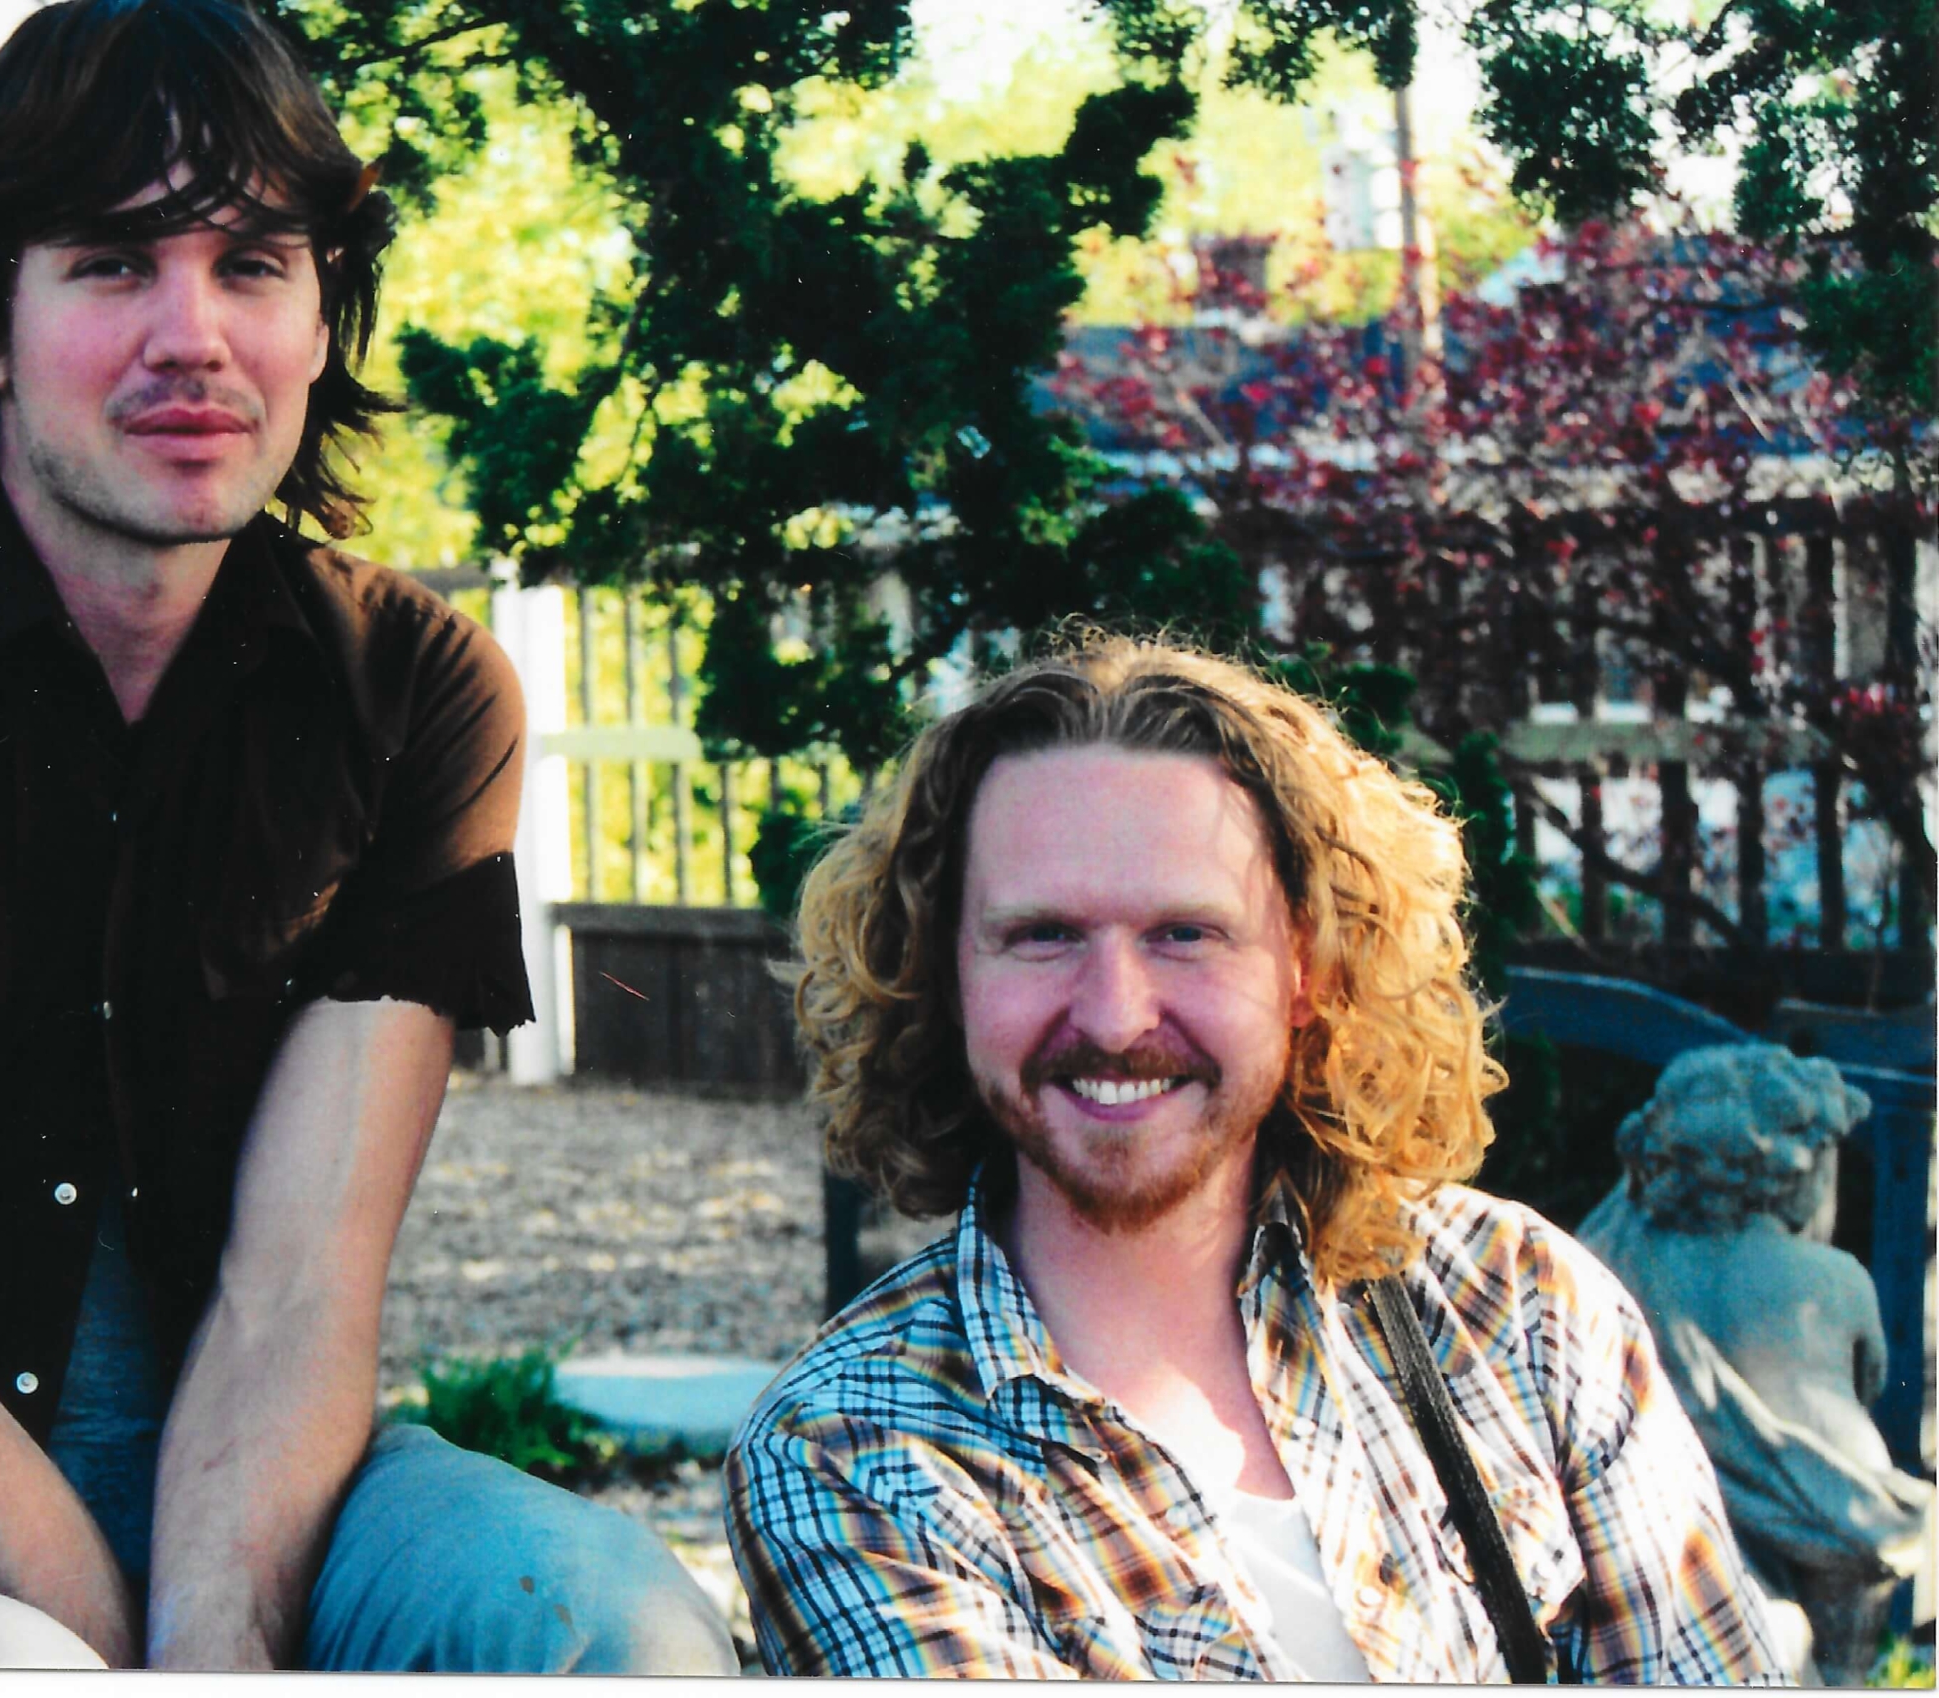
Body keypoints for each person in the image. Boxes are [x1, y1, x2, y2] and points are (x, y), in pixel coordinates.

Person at [0, 0, 732, 1674]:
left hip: (262, 1496)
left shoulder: (412, 691)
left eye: (254, 265)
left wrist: (213, 1646)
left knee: (611, 1618)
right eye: (112, 262)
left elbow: (295, 1296)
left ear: (320, 316)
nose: (195, 335)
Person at [723, 632, 1788, 1682]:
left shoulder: (1519, 1308)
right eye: (1043, 934)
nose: (1115, 1014)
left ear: (1309, 965)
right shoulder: (852, 1451)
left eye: (1186, 933)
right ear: (944, 977)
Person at [1579, 1043, 1931, 1683]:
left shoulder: (1605, 1255)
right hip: (1772, 1634)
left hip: (1630, 1609)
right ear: (1797, 1168)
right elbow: (1858, 1496)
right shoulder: (1829, 1281)